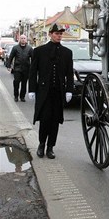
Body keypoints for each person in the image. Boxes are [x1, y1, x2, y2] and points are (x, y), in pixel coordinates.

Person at [28, 23, 74, 159]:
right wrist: (32, 89)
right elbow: (33, 72)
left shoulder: (67, 53)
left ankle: (50, 147)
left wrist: (69, 90)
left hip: (58, 92)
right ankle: (41, 144)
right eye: (56, 34)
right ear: (50, 34)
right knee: (45, 119)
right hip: (44, 92)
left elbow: (69, 74)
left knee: (55, 120)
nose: (59, 36)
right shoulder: (39, 51)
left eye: (61, 34)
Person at [5, 34, 33, 102]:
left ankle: (22, 97)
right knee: (16, 82)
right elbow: (11, 57)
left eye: (24, 38)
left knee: (24, 84)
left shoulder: (29, 48)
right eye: (22, 38)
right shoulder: (15, 48)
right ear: (19, 39)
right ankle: (16, 96)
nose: (23, 39)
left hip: (26, 69)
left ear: (26, 40)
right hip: (17, 69)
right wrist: (8, 66)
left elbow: (33, 59)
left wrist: (34, 68)